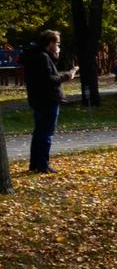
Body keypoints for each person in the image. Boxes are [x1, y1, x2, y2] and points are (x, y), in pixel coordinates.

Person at [22, 29, 76, 174]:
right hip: (48, 99)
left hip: (37, 99)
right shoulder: (43, 57)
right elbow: (49, 79)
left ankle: (35, 164)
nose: (58, 45)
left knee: (39, 132)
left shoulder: (34, 55)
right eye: (57, 43)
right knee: (46, 133)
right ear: (50, 42)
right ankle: (43, 165)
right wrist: (67, 76)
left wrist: (56, 55)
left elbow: (46, 72)